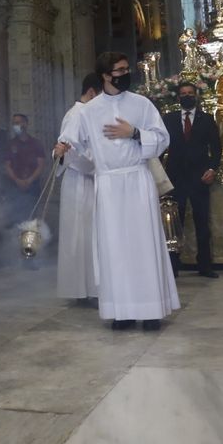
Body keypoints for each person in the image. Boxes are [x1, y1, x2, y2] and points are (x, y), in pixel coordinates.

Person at [55, 52, 178, 331]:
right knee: (115, 249)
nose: (125, 73)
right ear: (105, 76)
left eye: (126, 68)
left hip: (137, 182)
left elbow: (161, 139)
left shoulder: (141, 104)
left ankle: (151, 311)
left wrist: (134, 132)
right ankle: (121, 311)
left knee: (143, 245)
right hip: (109, 185)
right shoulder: (88, 111)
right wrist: (61, 149)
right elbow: (70, 142)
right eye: (119, 70)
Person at [161, 80, 223, 278]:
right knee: (173, 224)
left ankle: (205, 265)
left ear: (196, 96)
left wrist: (212, 168)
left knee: (202, 222)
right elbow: (160, 148)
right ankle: (173, 266)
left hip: (199, 177)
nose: (187, 96)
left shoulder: (206, 119)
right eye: (183, 93)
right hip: (175, 178)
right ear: (178, 98)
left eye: (190, 93)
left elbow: (216, 148)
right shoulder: (168, 119)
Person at [56, 73, 104, 303]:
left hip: (88, 180)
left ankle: (89, 289)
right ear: (92, 93)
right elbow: (67, 151)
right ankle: (84, 291)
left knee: (89, 235)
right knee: (81, 237)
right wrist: (99, 163)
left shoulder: (87, 113)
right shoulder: (77, 114)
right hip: (80, 181)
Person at [3, 111, 47, 221]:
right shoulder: (10, 144)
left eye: (18, 123)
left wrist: (29, 181)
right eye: (14, 123)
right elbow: (7, 165)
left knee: (31, 217)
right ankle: (14, 237)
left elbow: (41, 165)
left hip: (32, 187)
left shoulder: (36, 144)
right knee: (15, 218)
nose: (16, 126)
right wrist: (17, 180)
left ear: (26, 124)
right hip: (14, 187)